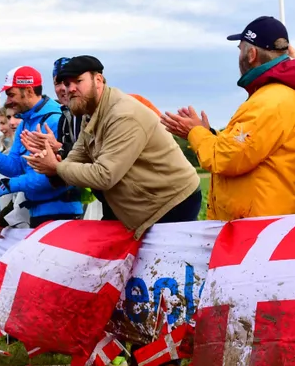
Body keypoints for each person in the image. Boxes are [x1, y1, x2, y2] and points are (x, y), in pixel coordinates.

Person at [26, 55, 201, 238]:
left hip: (171, 203)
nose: (70, 89)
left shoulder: (123, 114)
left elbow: (105, 175)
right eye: (67, 84)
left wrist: (57, 167)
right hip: (139, 203)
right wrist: (52, 163)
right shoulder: (90, 113)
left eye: (78, 81)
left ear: (98, 80)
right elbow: (77, 157)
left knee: (163, 264)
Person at [163, 16, 295, 221]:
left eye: (240, 49)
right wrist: (208, 134)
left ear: (251, 54)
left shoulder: (270, 100)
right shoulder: (277, 95)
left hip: (260, 227)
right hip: (268, 221)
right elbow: (244, 148)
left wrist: (195, 132)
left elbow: (228, 158)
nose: (239, 56)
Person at [0, 66, 82, 225]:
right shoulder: (25, 123)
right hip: (37, 213)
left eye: (11, 95)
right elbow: (15, 167)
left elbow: (55, 173)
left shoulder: (55, 119)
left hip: (62, 214)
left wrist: (11, 185)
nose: (8, 101)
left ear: (28, 91)